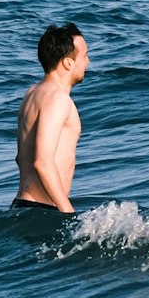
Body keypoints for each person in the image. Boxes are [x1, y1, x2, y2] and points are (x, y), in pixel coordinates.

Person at [13, 23, 90, 213]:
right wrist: (68, 213)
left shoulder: (32, 94)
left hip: (22, 206)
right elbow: (42, 162)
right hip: (42, 211)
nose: (87, 62)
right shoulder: (57, 99)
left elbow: (20, 158)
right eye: (85, 56)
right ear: (68, 63)